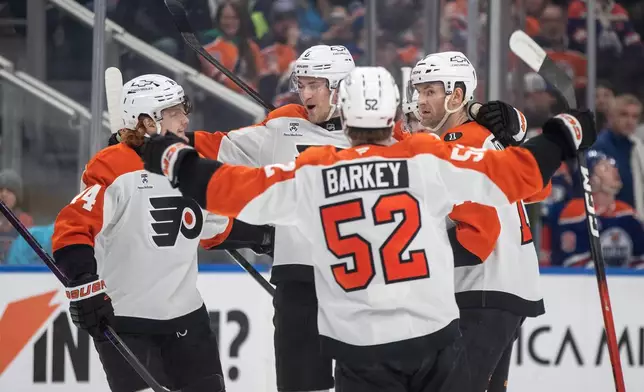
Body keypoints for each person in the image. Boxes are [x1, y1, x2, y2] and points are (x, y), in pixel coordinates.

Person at [140, 66, 597, 392]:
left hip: (361, 349)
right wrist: (563, 132)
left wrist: (170, 157)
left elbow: (228, 189)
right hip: (434, 340)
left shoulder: (315, 169)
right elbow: (520, 175)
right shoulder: (425, 156)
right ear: (393, 113)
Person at [184, 44, 516, 392]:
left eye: (316, 85)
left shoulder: (392, 139)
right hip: (300, 278)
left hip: (364, 287)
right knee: (301, 384)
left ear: (341, 88)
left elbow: (454, 158)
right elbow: (212, 146)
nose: (305, 92)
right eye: (303, 84)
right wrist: (148, 143)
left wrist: (495, 121)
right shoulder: (282, 125)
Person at [51, 74, 267, 392]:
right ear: (147, 121)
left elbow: (210, 222)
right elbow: (72, 229)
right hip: (128, 322)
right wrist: (84, 284)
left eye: (183, 108)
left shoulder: (184, 163)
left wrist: (264, 236)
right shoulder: (113, 167)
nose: (185, 118)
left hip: (187, 317)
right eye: (174, 111)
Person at [410, 51, 550, 392]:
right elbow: (537, 189)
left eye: (430, 91)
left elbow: (477, 240)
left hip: (482, 289)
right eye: (419, 91)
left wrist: (409, 266)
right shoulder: (488, 138)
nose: (421, 101)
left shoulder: (462, 143)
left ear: (456, 96)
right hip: (507, 287)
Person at [553, 150, 644, 268]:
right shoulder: (576, 212)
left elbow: (639, 260)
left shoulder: (627, 213)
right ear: (590, 180)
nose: (614, 171)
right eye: (605, 168)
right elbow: (573, 264)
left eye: (613, 166)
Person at [0, 169, 33, 263]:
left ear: (17, 196)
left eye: (9, 190)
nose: (3, 194)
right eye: (1, 190)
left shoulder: (25, 220)